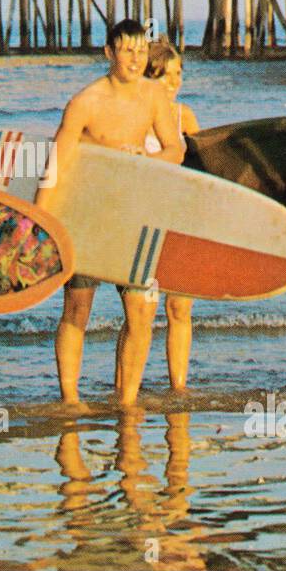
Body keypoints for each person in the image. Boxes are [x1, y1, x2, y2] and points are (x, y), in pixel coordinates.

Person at [36, 19, 184, 409]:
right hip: (85, 213)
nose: (135, 59)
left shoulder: (153, 96)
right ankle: (70, 399)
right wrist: (39, 222)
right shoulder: (86, 102)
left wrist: (147, 159)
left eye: (141, 51)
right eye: (127, 51)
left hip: (134, 214)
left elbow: (175, 149)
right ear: (108, 52)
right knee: (77, 307)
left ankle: (127, 400)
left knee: (141, 311)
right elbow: (57, 165)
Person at [116, 39, 201, 392]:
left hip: (179, 221)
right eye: (167, 75)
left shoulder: (185, 117)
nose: (176, 82)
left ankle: (178, 390)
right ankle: (124, 393)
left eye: (179, 74)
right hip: (139, 225)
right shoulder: (130, 116)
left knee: (180, 310)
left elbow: (202, 169)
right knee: (141, 316)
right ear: (149, 77)